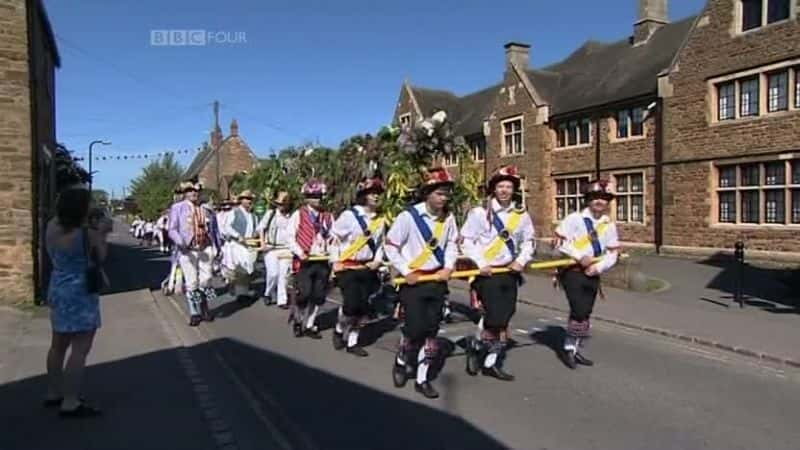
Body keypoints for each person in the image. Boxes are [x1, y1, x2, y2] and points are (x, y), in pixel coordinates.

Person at [385, 167, 458, 399]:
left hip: (436, 280)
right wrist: (406, 271)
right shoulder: (408, 217)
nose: (443, 198)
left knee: (431, 331)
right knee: (415, 328)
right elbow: (391, 246)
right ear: (427, 193)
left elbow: (452, 245)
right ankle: (401, 359)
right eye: (439, 193)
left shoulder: (449, 218)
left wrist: (448, 267)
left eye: (446, 194)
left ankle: (422, 378)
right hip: (413, 282)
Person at [460, 165, 535, 381]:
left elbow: (529, 241)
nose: (504, 190)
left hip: (509, 272)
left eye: (508, 186)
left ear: (514, 190)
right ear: (494, 188)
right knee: (495, 315)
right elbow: (466, 241)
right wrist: (481, 262)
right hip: (486, 273)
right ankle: (478, 345)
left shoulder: (521, 215)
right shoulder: (479, 213)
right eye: (500, 186)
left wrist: (521, 261)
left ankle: (489, 359)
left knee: (506, 315)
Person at [45, 185, 112, 418]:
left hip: (58, 286)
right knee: (80, 349)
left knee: (57, 345)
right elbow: (100, 258)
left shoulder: (51, 226)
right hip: (81, 292)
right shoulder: (88, 234)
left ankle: (55, 392)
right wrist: (102, 234)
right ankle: (71, 401)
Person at [553, 179, 620, 369]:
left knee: (586, 312)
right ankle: (567, 347)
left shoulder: (609, 224)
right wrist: (580, 256)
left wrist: (598, 268)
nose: (599, 201)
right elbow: (559, 243)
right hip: (572, 271)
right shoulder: (574, 219)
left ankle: (574, 349)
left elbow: (613, 253)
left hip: (593, 272)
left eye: (604, 198)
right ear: (588, 200)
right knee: (579, 309)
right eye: (595, 198)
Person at [330, 176, 386, 357]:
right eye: (372, 193)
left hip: (367, 268)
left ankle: (353, 341)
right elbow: (334, 239)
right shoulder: (349, 216)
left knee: (363, 308)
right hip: (347, 267)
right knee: (351, 305)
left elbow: (380, 245)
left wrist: (377, 260)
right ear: (363, 195)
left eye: (378, 193)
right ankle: (339, 328)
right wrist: (335, 261)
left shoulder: (381, 220)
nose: (376, 197)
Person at [168, 181, 221, 326]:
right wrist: (180, 242)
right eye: (190, 190)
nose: (193, 193)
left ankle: (204, 305)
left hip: (205, 247)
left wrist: (218, 247)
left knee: (207, 279)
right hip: (188, 249)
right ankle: (195, 311)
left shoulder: (206, 209)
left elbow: (215, 230)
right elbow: (172, 229)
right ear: (185, 193)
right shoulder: (178, 208)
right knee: (192, 282)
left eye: (196, 190)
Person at [285, 179, 333, 339]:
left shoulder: (328, 216)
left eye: (319, 196)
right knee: (304, 294)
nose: (317, 199)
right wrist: (300, 252)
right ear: (306, 197)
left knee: (318, 295)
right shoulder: (298, 214)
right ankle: (298, 320)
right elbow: (289, 237)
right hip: (305, 260)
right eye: (313, 196)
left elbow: (334, 237)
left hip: (322, 260)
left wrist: (333, 254)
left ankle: (310, 324)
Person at [220, 190, 260, 303]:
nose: (249, 201)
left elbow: (256, 230)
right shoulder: (234, 212)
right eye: (246, 199)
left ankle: (239, 289)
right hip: (237, 245)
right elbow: (227, 227)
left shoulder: (254, 216)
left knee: (248, 269)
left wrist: (256, 236)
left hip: (249, 245)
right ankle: (242, 294)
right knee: (241, 268)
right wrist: (238, 236)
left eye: (250, 199)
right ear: (241, 200)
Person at [256, 191, 293, 308]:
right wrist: (263, 243)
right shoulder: (271, 214)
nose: (281, 206)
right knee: (273, 273)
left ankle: (282, 300)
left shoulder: (292, 216)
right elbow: (261, 228)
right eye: (280, 204)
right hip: (271, 248)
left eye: (284, 204)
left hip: (286, 248)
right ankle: (267, 293)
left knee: (284, 275)